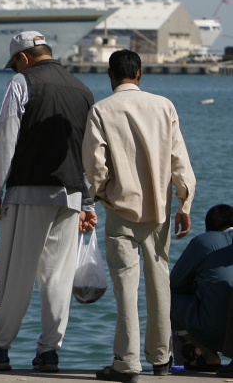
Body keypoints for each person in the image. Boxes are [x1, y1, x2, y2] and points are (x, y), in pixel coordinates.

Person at [0, 31, 95, 372]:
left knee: (16, 273)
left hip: (29, 192)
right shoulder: (83, 90)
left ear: (24, 57)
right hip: (71, 195)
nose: (16, 67)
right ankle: (48, 352)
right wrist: (88, 202)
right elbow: (88, 152)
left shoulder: (21, 83)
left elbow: (6, 139)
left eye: (15, 61)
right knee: (57, 277)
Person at [83, 49, 196, 382]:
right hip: (159, 212)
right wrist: (184, 204)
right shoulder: (165, 106)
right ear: (140, 73)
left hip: (121, 211)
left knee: (126, 289)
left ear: (110, 75)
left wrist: (93, 200)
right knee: (160, 284)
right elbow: (180, 161)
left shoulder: (101, 110)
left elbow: (96, 168)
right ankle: (161, 358)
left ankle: (126, 362)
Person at [170, 204, 233, 373]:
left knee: (167, 298)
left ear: (208, 229)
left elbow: (174, 282)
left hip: (214, 332)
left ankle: (207, 354)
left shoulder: (204, 241)